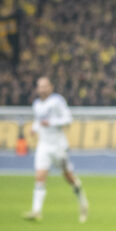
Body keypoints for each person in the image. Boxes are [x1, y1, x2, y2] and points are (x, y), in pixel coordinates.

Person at [23, 76, 89, 223]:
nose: (42, 89)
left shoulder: (57, 101)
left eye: (45, 86)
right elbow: (38, 121)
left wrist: (51, 122)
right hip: (44, 145)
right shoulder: (37, 104)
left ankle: (83, 201)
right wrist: (34, 129)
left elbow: (68, 119)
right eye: (40, 86)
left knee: (68, 177)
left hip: (59, 146)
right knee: (40, 176)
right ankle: (36, 211)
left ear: (51, 87)